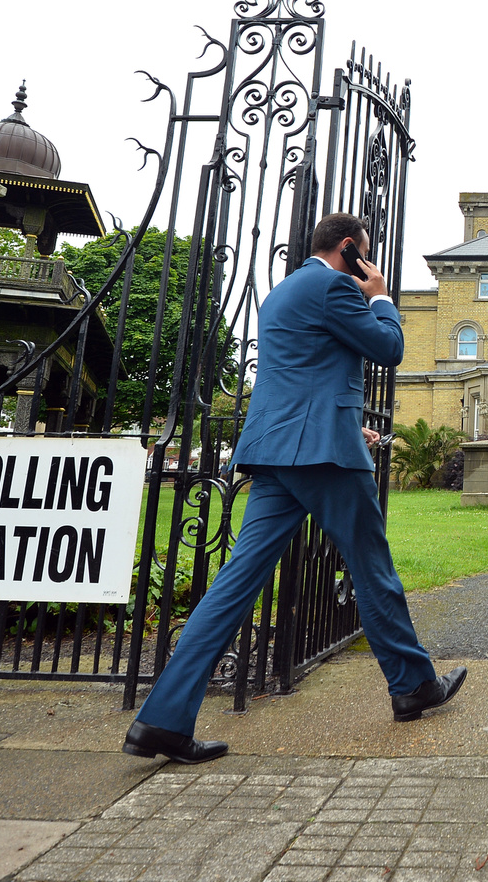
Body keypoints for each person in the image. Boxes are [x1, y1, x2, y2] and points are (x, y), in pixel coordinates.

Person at [123, 213, 466, 764]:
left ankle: (161, 721)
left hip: (276, 451)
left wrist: (347, 424)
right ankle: (413, 686)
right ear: (351, 249)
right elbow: (388, 348)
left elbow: (304, 372)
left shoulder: (283, 292)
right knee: (372, 569)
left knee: (235, 584)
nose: (368, 266)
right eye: (366, 254)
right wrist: (379, 297)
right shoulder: (335, 285)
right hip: (323, 456)